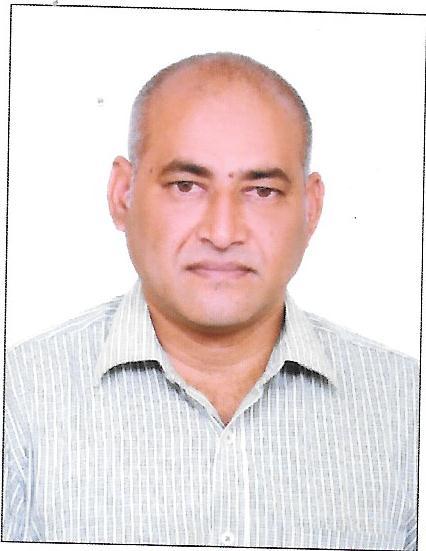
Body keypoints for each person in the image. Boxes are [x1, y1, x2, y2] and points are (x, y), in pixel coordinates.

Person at [3, 52, 418, 549]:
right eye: (186, 186)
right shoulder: (19, 401)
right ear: (122, 194)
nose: (222, 233)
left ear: (310, 209)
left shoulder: (408, 408)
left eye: (261, 191)